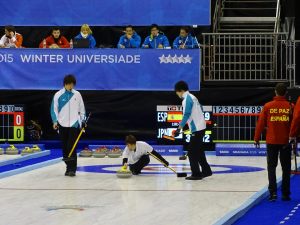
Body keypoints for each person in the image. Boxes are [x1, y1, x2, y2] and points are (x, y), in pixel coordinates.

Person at [254, 83, 292, 201]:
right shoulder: (290, 106)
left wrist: (256, 138)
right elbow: (295, 124)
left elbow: (260, 124)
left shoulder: (268, 106)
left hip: (271, 141)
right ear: (286, 93)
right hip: (286, 141)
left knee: (271, 167)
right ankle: (285, 194)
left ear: (275, 92)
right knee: (286, 168)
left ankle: (273, 193)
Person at [173, 81, 212, 180]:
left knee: (191, 152)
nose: (176, 94)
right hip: (201, 127)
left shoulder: (186, 100)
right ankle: (206, 171)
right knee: (198, 151)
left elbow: (186, 115)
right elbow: (200, 110)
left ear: (180, 91)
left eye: (176, 92)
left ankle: (196, 174)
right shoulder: (193, 97)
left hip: (197, 129)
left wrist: (179, 128)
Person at [51, 75, 86, 177]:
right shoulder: (58, 95)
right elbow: (54, 110)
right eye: (70, 84)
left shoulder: (77, 94)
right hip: (62, 124)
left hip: (74, 124)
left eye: (73, 84)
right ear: (65, 84)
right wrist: (55, 121)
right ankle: (68, 167)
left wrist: (83, 121)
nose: (71, 86)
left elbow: (82, 109)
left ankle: (72, 169)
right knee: (65, 147)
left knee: (72, 146)